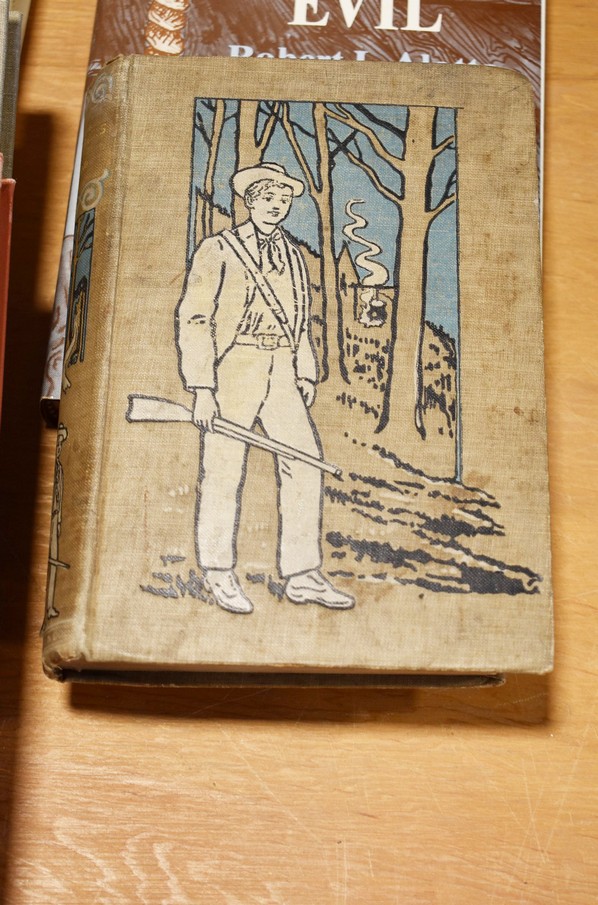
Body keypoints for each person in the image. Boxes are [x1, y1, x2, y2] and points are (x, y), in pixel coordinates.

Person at [175, 162, 354, 614]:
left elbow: (300, 318)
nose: (277, 205)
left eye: (284, 199)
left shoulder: (293, 254)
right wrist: (203, 387)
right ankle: (218, 571)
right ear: (250, 201)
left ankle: (302, 574)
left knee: (304, 461)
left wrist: (305, 370)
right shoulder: (218, 248)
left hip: (282, 368)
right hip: (235, 365)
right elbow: (195, 318)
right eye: (268, 197)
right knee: (223, 467)